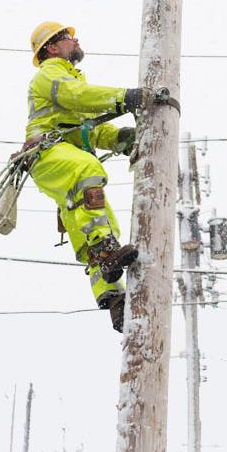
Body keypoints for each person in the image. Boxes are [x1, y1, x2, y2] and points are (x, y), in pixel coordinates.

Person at [24, 21, 150, 333]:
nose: (76, 39)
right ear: (52, 47)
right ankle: (106, 252)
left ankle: (113, 300)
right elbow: (77, 96)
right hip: (48, 155)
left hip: (59, 158)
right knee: (89, 170)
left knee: (94, 222)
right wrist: (124, 98)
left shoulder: (68, 77)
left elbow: (88, 128)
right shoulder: (51, 72)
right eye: (68, 37)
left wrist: (121, 138)